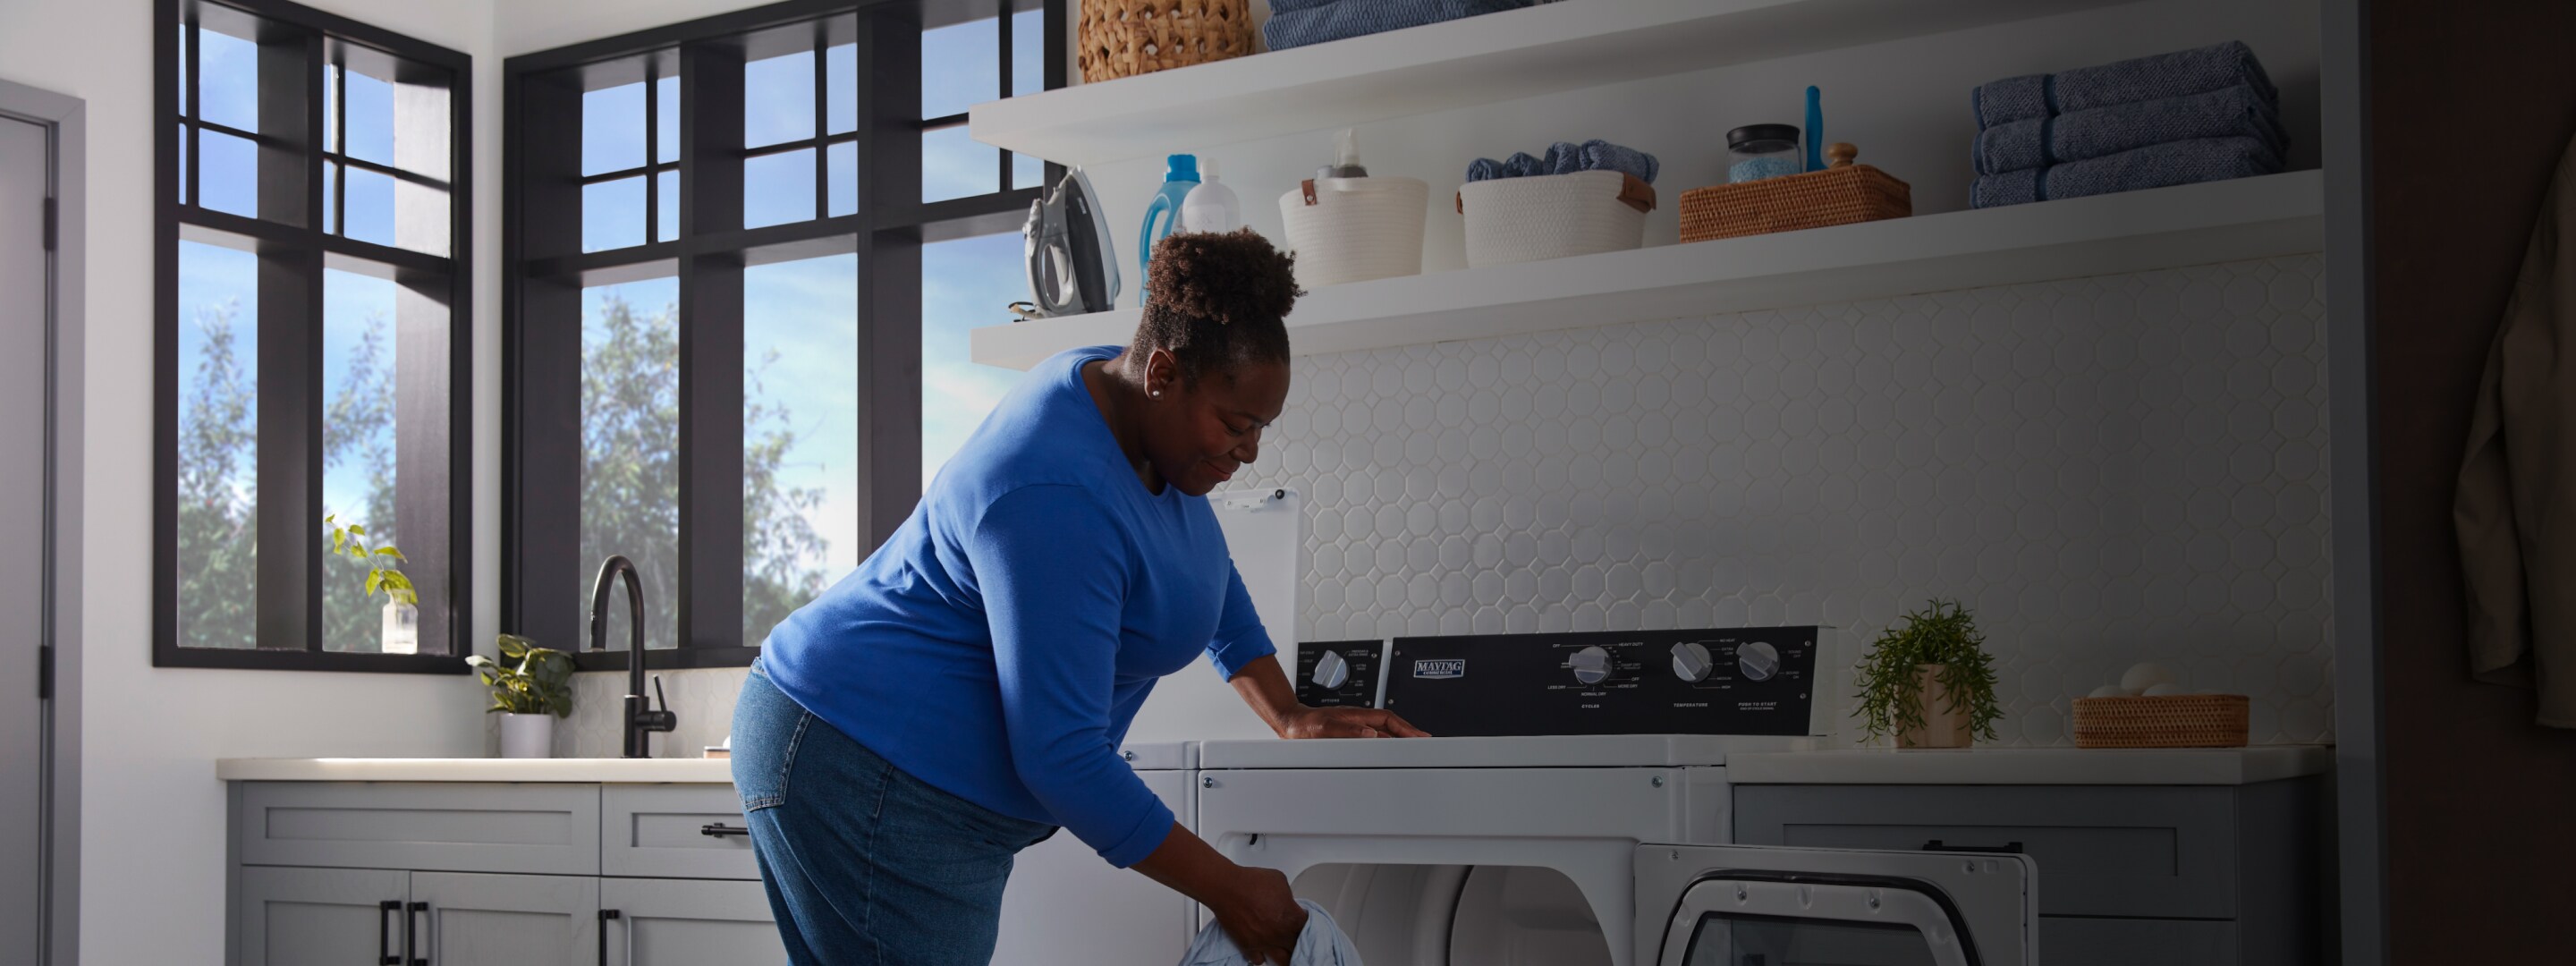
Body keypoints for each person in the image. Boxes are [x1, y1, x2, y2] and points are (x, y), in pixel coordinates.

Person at [733, 229, 1427, 965]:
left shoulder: (1127, 405)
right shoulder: (1055, 491)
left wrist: (1287, 711)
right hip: (862, 762)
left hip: (893, 768)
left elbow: (1203, 569)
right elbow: (1062, 756)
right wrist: (1230, 890)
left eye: (1260, 428)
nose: (1249, 450)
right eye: (1235, 423)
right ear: (1163, 373)